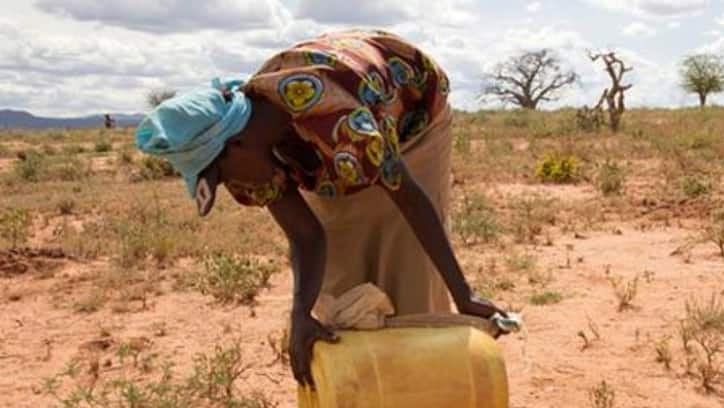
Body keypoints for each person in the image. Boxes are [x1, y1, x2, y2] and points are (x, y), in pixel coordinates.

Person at [135, 29, 508, 387]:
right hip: (338, 138)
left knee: (404, 256)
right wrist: (301, 315)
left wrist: (464, 295)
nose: (227, 186)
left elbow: (410, 199)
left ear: (235, 146)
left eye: (218, 176)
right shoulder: (254, 150)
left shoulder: (340, 122)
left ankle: (423, 394)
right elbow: (305, 234)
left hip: (413, 113)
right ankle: (364, 399)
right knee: (342, 273)